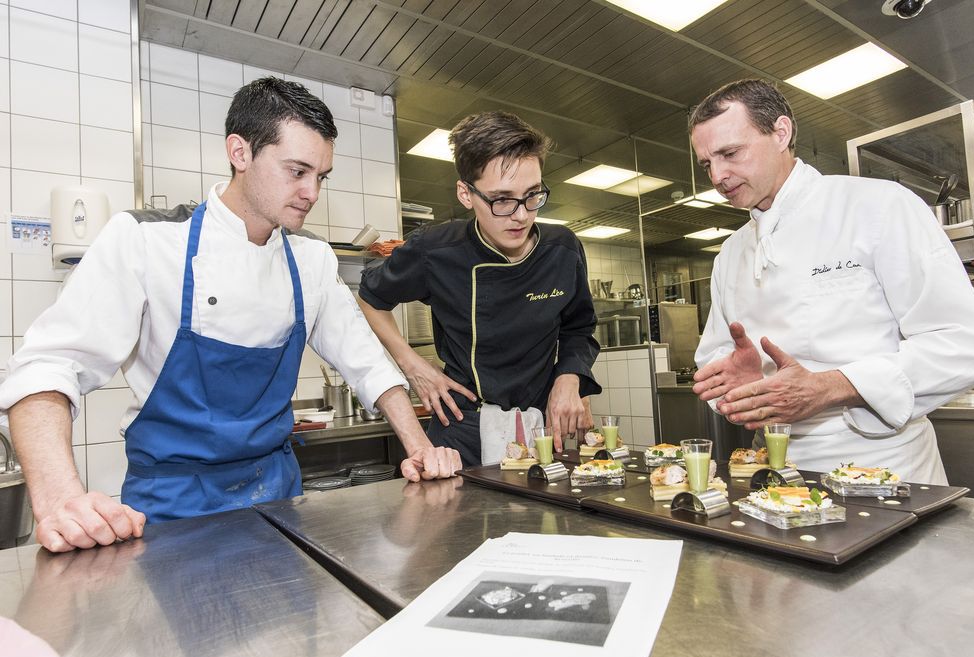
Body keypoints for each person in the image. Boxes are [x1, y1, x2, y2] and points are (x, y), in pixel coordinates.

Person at [0, 77, 460, 552]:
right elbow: (46, 366)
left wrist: (419, 447)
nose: (311, 192)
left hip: (280, 498)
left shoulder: (311, 260)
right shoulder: (146, 240)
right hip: (172, 509)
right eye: (297, 171)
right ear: (240, 152)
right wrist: (60, 500)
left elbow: (365, 361)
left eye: (321, 177)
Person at [688, 78, 974, 484]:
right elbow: (714, 361)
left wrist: (834, 386)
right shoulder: (731, 253)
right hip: (777, 471)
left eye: (730, 153)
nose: (718, 175)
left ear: (781, 132)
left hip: (887, 468)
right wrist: (744, 388)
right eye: (706, 164)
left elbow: (967, 342)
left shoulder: (878, 206)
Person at [357, 111, 601, 466]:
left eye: (533, 195)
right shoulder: (436, 250)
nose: (521, 215)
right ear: (466, 194)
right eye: (501, 200)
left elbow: (579, 328)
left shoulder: (562, 248)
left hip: (545, 426)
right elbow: (370, 299)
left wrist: (569, 378)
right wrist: (412, 364)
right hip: (463, 429)